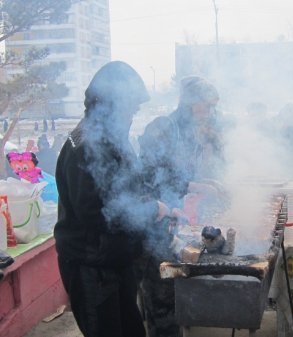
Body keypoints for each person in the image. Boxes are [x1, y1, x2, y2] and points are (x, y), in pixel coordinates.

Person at [54, 61, 170, 337]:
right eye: (131, 106)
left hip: (114, 260)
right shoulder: (86, 145)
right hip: (91, 267)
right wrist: (152, 209)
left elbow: (127, 188)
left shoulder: (111, 138)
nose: (132, 114)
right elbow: (97, 214)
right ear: (112, 103)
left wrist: (158, 205)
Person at [137, 115, 221, 337]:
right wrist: (193, 186)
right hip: (151, 236)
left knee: (165, 299)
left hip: (165, 225)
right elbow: (154, 184)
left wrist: (173, 209)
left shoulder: (179, 138)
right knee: (160, 298)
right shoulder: (158, 142)